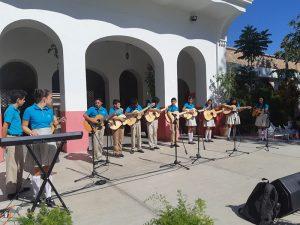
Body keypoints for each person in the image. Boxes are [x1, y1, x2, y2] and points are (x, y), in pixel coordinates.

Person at [22, 89, 58, 207]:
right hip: (36, 140)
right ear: (44, 98)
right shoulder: (29, 110)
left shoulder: (50, 110)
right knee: (37, 169)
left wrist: (57, 122)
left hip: (49, 140)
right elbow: (24, 126)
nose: (51, 99)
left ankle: (48, 197)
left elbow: (54, 124)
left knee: (49, 169)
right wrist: (31, 132)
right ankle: (37, 197)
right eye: (50, 97)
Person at [3, 90, 28, 200]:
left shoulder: (16, 110)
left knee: (19, 164)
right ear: (18, 100)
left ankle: (18, 188)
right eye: (23, 99)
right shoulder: (10, 110)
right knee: (12, 165)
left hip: (18, 138)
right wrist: (4, 141)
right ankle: (11, 192)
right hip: (11, 139)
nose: (24, 101)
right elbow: (5, 126)